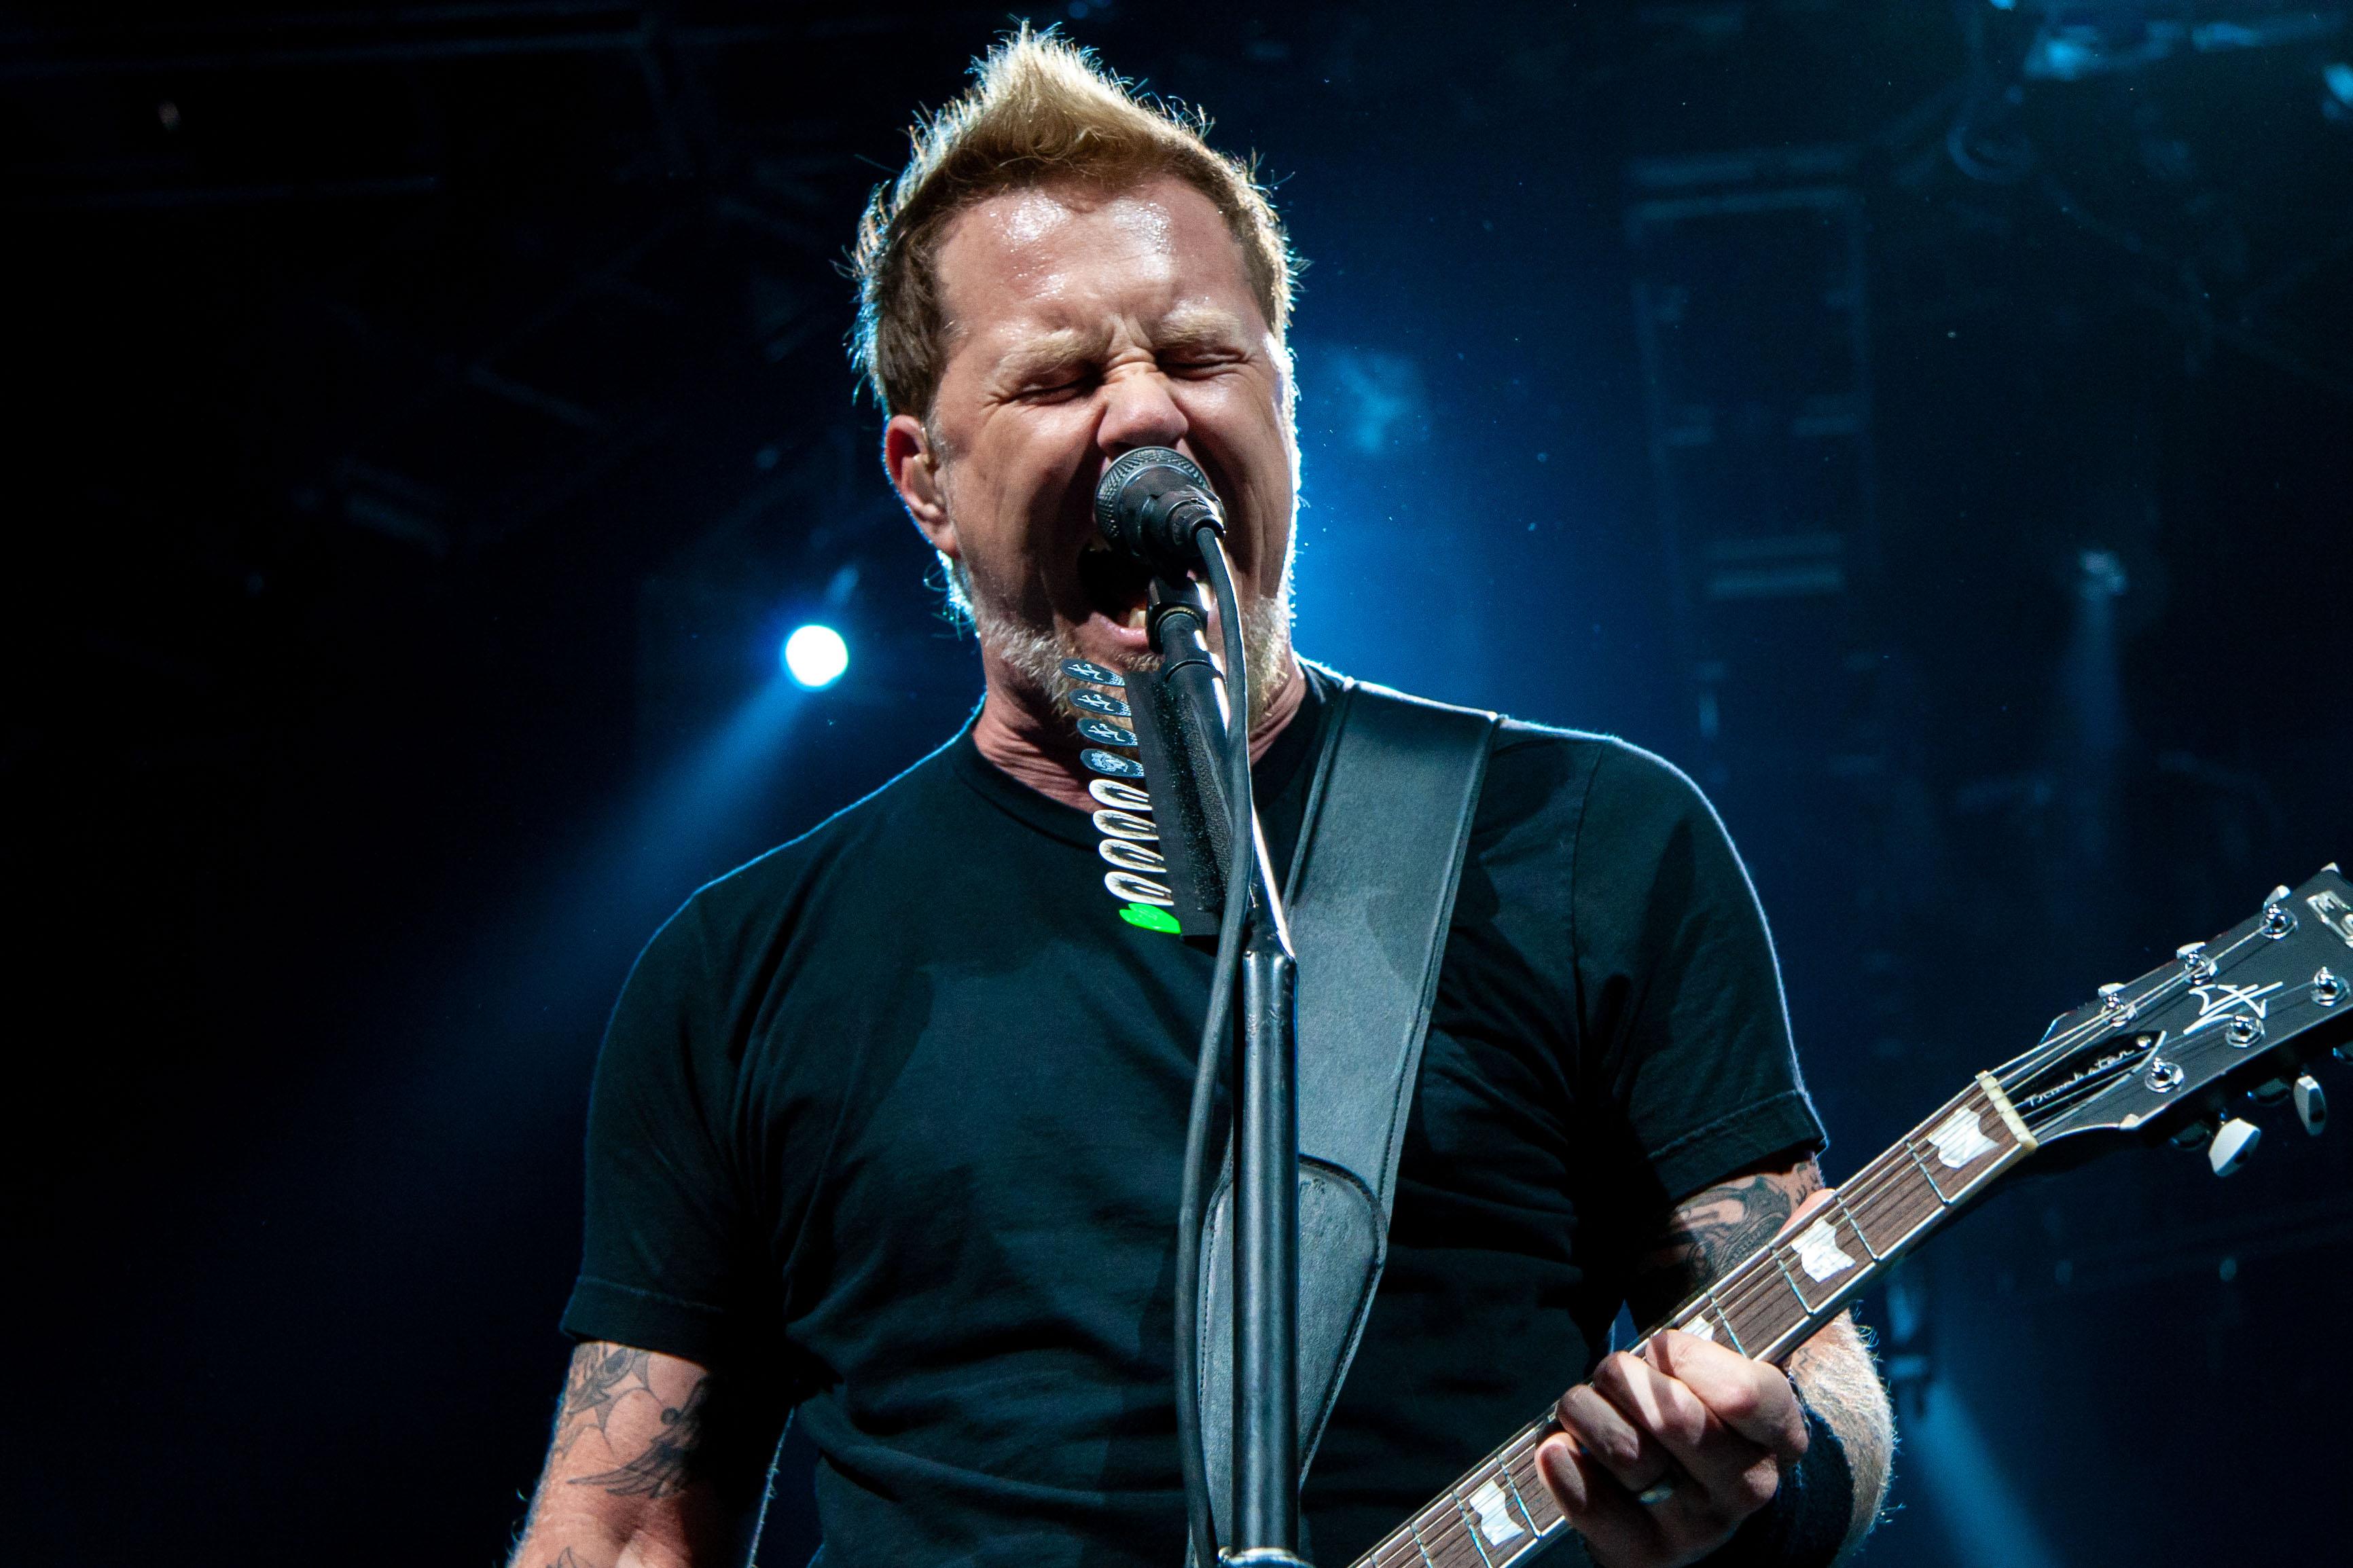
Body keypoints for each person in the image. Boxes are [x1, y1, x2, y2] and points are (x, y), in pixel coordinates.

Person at [509, 31, 1894, 1568]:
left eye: (1197, 358)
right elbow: (621, 1525)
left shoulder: (1584, 844)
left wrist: (1770, 1477)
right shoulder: (740, 971)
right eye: (1057, 377)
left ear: (1285, 411)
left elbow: (1814, 1372)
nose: (1145, 417)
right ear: (923, 479)